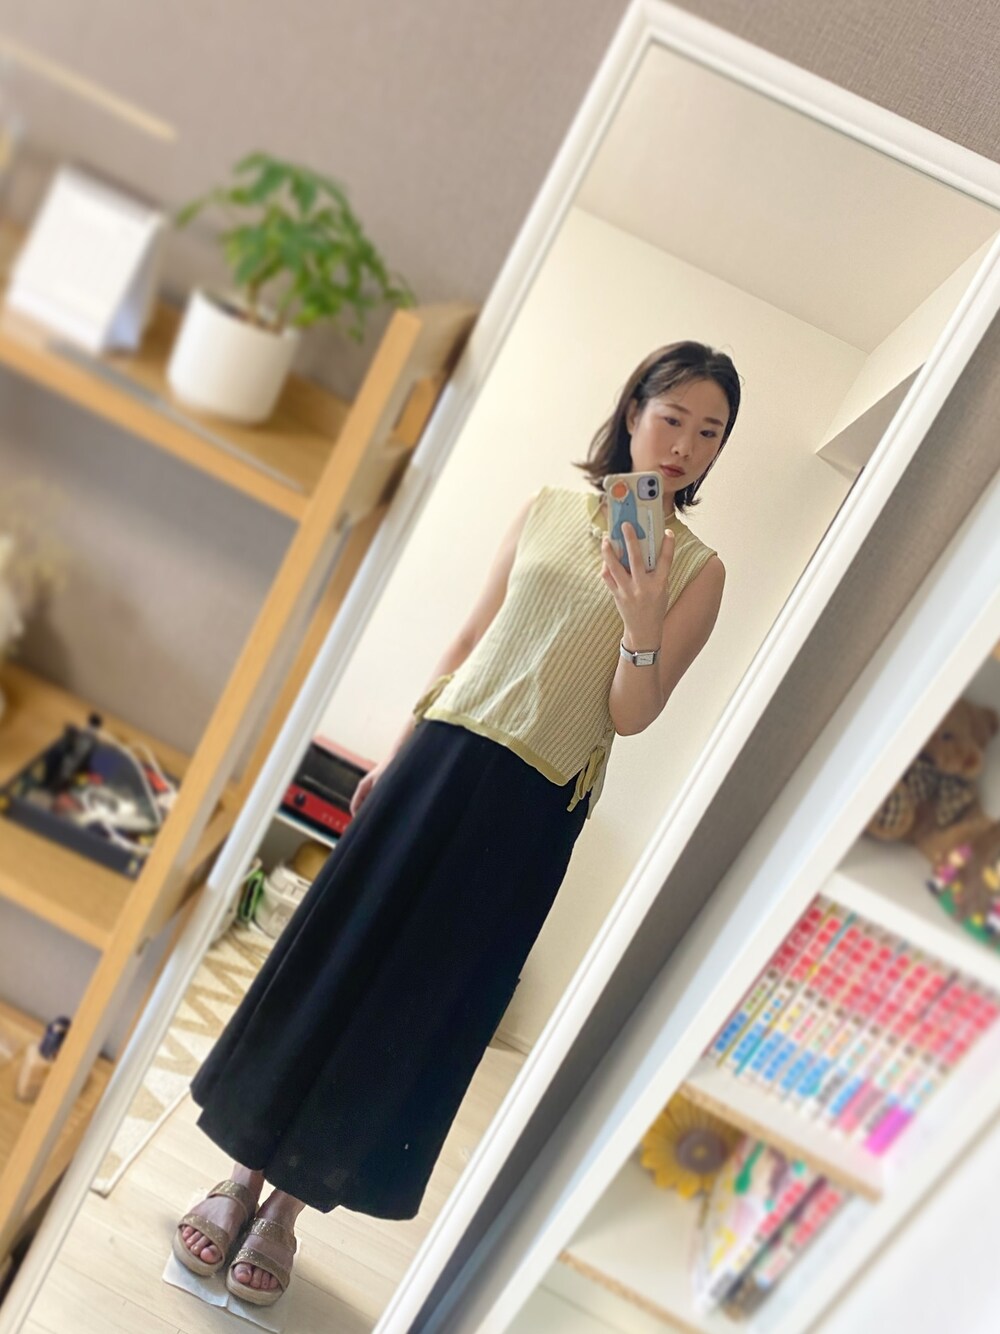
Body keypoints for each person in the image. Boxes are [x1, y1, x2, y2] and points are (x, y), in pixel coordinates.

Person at [172, 339, 740, 1306]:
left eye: (711, 432)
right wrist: (395, 754)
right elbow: (472, 638)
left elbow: (629, 716)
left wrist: (642, 617)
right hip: (440, 757)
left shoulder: (698, 571)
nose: (685, 445)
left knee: (415, 1003)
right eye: (673, 418)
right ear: (633, 410)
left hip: (533, 806)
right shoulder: (548, 508)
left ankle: (289, 1209)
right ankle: (238, 1178)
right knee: (338, 960)